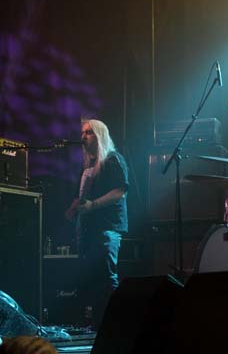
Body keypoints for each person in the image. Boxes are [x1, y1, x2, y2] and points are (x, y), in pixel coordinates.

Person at [65, 119, 129, 329]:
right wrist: (73, 210)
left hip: (106, 228)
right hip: (87, 230)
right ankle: (96, 325)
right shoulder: (88, 166)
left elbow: (120, 191)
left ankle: (113, 324)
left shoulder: (112, 160)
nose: (83, 137)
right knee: (91, 279)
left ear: (100, 135)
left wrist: (93, 205)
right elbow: (81, 196)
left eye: (89, 133)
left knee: (107, 278)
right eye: (82, 132)